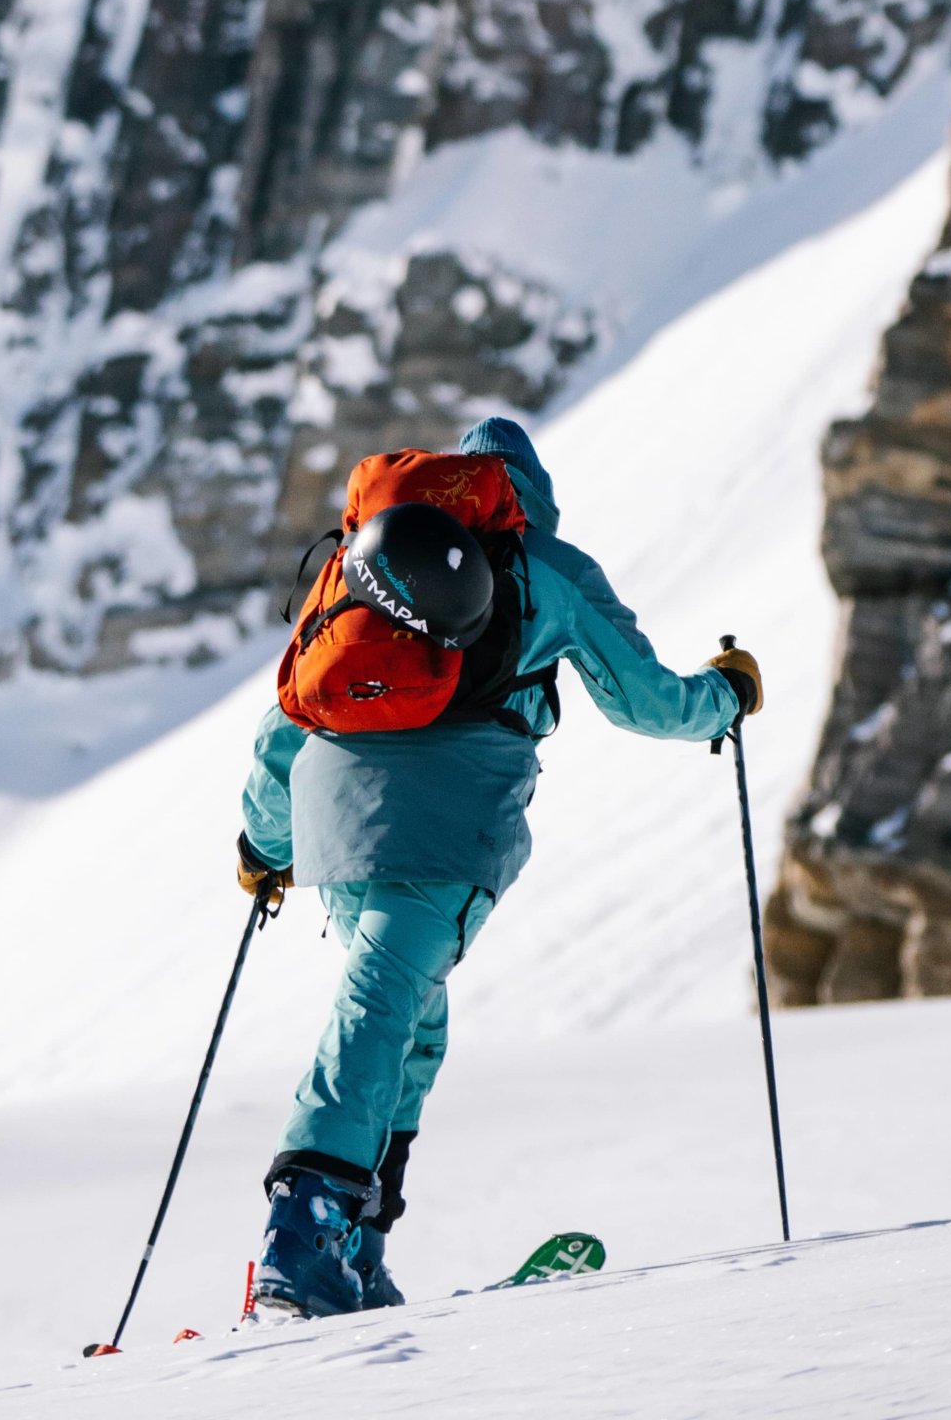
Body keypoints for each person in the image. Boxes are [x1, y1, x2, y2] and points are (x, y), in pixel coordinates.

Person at [235, 414, 761, 1318]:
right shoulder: (541, 570)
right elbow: (644, 700)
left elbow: (293, 709)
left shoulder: (364, 562)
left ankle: (354, 1248)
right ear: (527, 497)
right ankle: (305, 1229)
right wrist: (727, 696)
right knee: (383, 1003)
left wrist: (265, 845)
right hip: (448, 820)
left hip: (333, 817)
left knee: (411, 1020)